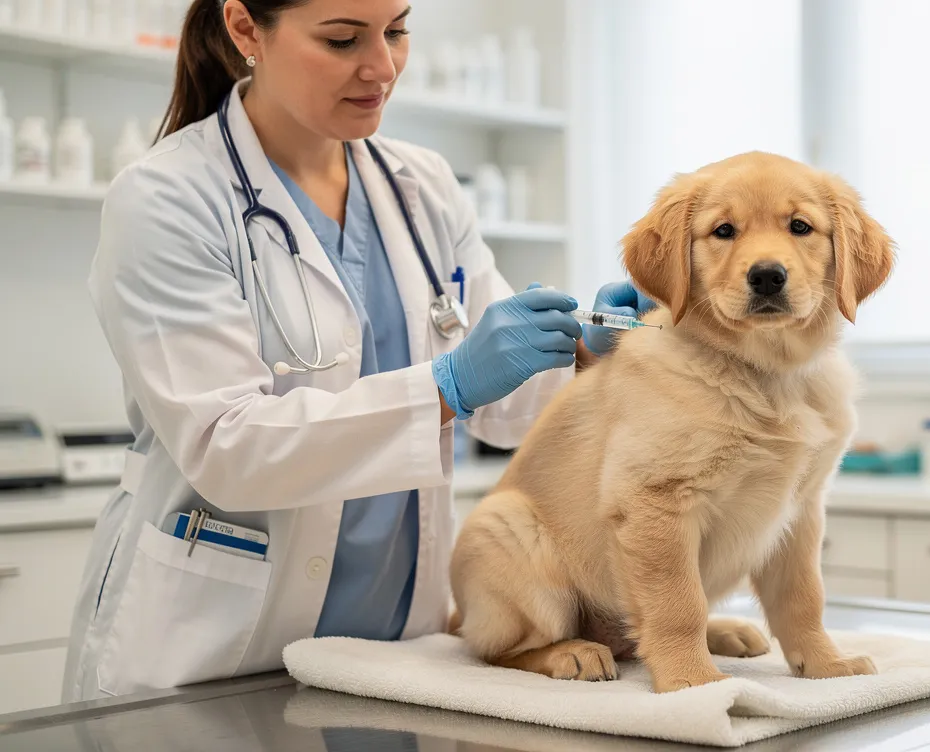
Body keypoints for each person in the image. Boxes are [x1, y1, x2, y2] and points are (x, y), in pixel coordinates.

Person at [62, 0, 653, 702]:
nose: (383, 67)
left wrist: (581, 354)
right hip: (216, 655)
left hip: (397, 651)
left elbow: (510, 412)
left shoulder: (423, 189)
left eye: (397, 30)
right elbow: (229, 447)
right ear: (246, 28)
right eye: (342, 39)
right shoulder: (166, 199)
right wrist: (447, 384)